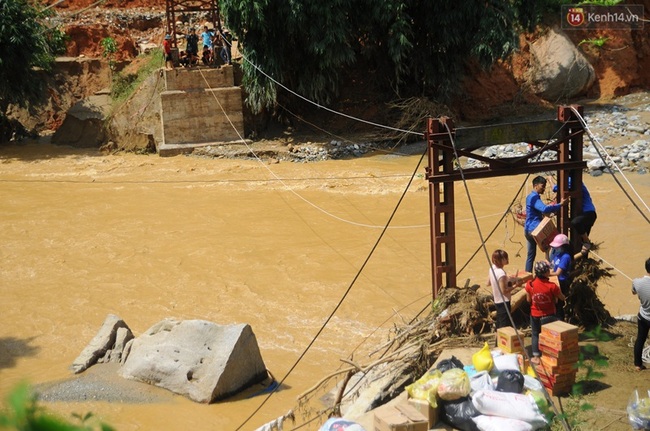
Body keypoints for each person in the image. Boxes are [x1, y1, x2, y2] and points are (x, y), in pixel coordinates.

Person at [524, 176, 567, 273]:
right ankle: (552, 269)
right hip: (535, 229)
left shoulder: (529, 197)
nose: (544, 188)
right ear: (535, 186)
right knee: (554, 244)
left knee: (531, 255)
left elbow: (539, 210)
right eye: (542, 186)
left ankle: (528, 275)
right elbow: (544, 209)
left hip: (528, 230)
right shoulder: (534, 198)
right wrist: (560, 205)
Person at [525, 260, 566, 364]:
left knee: (535, 334)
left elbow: (528, 300)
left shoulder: (530, 284)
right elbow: (561, 297)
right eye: (548, 270)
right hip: (549, 314)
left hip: (534, 314)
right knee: (549, 336)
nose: (550, 271)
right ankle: (549, 355)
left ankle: (536, 357)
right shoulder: (552, 286)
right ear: (545, 273)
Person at [553, 179, 597, 253]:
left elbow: (556, 188)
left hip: (589, 213)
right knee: (581, 244)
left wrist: (550, 179)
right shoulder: (577, 182)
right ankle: (583, 258)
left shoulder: (571, 180)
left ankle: (587, 241)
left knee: (575, 222)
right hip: (587, 214)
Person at [487, 249, 521, 333]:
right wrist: (515, 286)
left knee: (499, 325)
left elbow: (488, 283)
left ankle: (497, 343)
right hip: (504, 302)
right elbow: (504, 291)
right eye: (506, 258)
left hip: (497, 301)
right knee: (504, 327)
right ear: (501, 260)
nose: (507, 259)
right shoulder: (501, 273)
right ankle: (501, 344)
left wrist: (507, 280)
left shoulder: (492, 268)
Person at [632, 257, 650, 371]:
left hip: (643, 317)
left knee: (640, 339)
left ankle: (638, 365)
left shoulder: (636, 282)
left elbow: (633, 292)